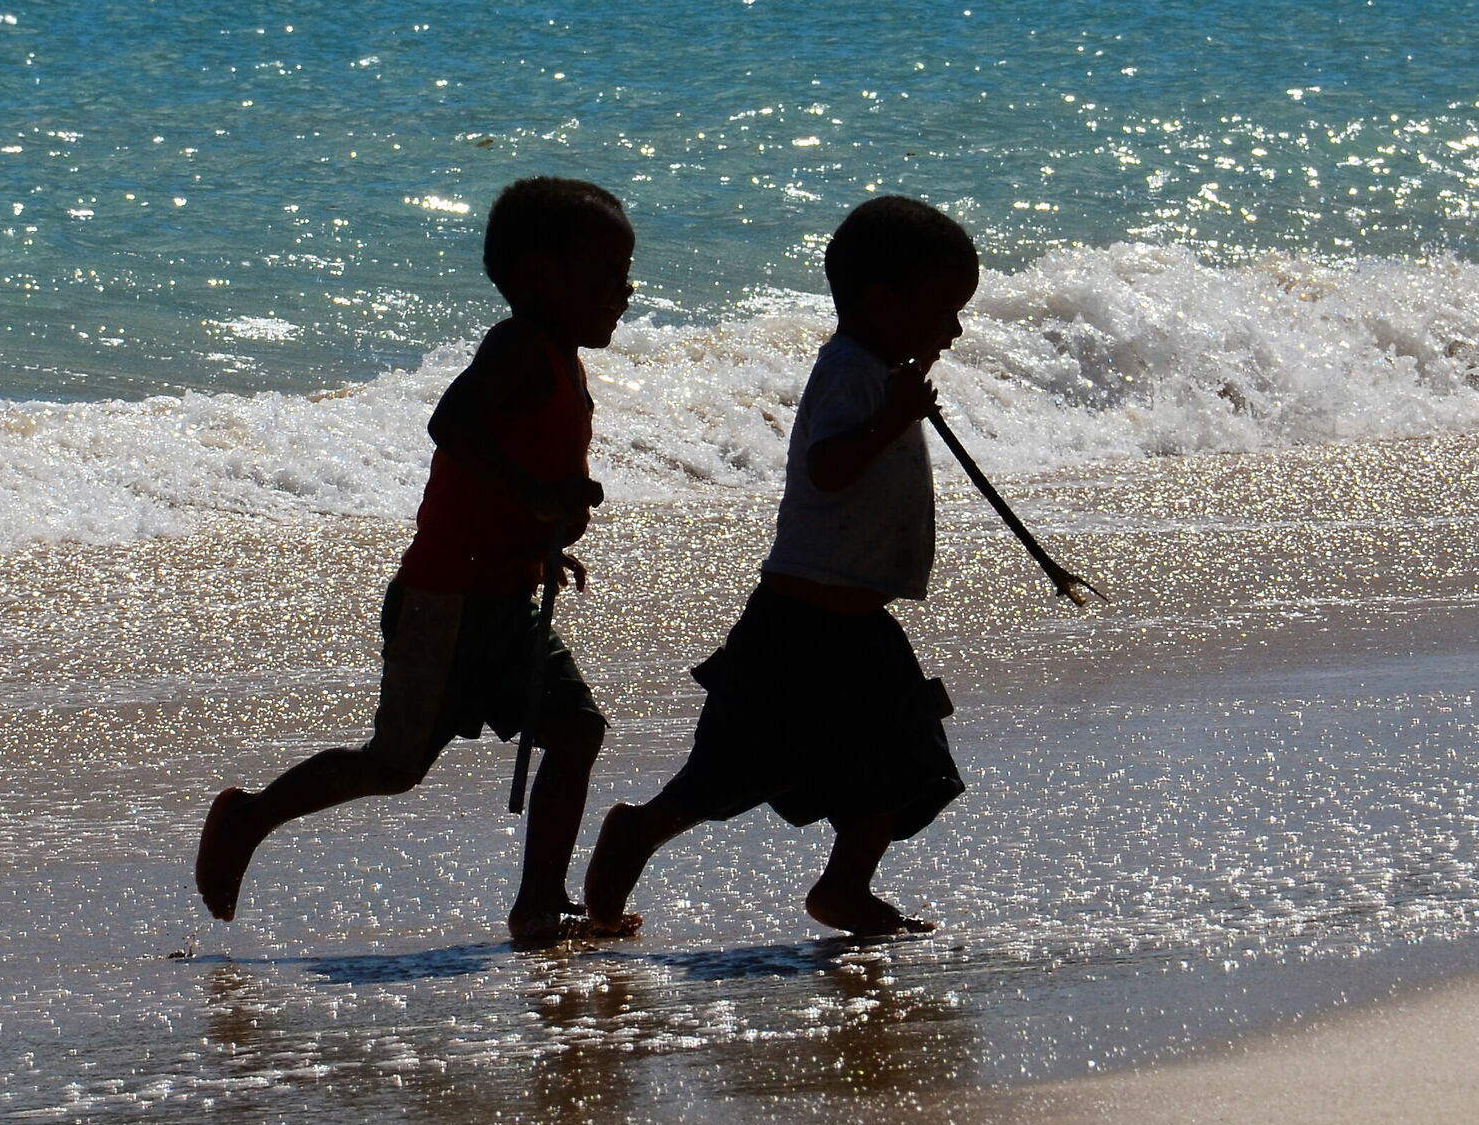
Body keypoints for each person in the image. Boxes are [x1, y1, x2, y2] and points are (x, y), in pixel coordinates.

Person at [194, 177, 638, 950]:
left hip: (507, 602)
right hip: (444, 604)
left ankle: (540, 902)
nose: (624, 292)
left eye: (626, 274)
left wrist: (544, 539)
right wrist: (539, 497)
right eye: (607, 274)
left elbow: (512, 468)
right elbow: (452, 423)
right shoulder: (518, 347)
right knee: (393, 766)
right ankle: (248, 818)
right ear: (539, 277)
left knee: (576, 729)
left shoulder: (564, 360)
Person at [583, 196, 976, 938]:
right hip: (795, 625)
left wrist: (899, 404)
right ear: (881, 303)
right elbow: (830, 468)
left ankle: (844, 888)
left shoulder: (883, 372)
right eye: (944, 311)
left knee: (906, 758)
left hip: (861, 625)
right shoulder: (849, 371)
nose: (953, 331)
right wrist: (892, 418)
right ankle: (637, 831)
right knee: (727, 773)